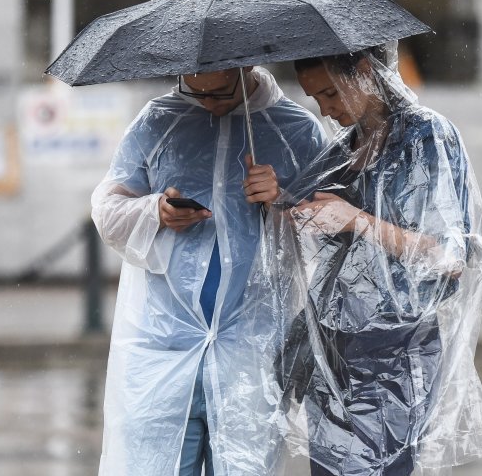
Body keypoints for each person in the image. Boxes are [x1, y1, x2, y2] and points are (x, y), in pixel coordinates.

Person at [223, 43, 482, 475]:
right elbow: (308, 219)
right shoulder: (346, 149)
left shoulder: (427, 137)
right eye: (315, 99)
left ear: (365, 71)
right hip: (330, 346)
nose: (326, 110)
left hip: (394, 351)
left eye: (331, 93)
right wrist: (276, 195)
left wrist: (358, 221)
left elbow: (447, 255)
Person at [92, 65, 326, 476]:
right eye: (194, 91)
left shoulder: (297, 132)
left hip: (251, 350)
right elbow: (108, 211)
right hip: (161, 345)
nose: (206, 104)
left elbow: (332, 231)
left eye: (219, 93)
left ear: (245, 70)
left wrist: (280, 200)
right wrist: (154, 211)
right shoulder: (158, 122)